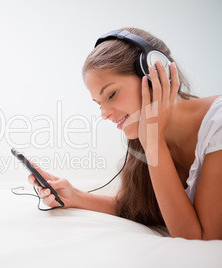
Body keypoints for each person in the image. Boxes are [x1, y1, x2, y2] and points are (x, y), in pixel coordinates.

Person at [28, 27, 222, 240]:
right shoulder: (146, 135)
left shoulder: (217, 124)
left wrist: (154, 142)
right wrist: (75, 197)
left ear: (156, 72)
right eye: (98, 104)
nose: (104, 114)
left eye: (111, 94)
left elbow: (200, 239)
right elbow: (136, 207)